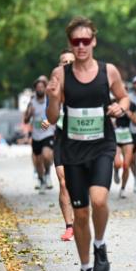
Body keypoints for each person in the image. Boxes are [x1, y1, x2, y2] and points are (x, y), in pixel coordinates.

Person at [46, 16, 130, 271]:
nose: (80, 46)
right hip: (72, 149)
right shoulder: (60, 74)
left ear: (93, 41)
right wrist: (53, 98)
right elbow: (52, 117)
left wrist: (119, 107)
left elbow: (125, 98)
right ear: (70, 43)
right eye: (75, 42)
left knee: (99, 199)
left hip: (102, 144)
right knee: (80, 215)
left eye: (85, 41)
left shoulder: (108, 71)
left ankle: (100, 244)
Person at [50, 50, 76, 241]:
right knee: (63, 181)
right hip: (61, 137)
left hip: (81, 138)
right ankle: (69, 226)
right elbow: (50, 109)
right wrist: (48, 118)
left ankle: (80, 219)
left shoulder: (86, 82)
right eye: (63, 62)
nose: (67, 64)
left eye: (70, 61)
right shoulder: (55, 83)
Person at [25, 76, 56, 192]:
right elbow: (25, 120)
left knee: (47, 155)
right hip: (36, 135)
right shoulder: (31, 102)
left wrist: (50, 124)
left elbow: (55, 114)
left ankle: (47, 173)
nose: (40, 89)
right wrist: (29, 114)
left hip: (47, 133)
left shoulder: (50, 100)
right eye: (38, 87)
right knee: (38, 161)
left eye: (42, 87)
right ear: (35, 89)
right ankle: (41, 179)